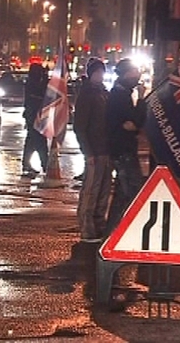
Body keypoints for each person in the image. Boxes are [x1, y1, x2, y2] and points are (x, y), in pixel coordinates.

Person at [104, 58, 146, 234]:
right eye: (133, 72)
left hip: (124, 149)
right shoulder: (119, 96)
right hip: (123, 151)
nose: (137, 76)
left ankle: (112, 230)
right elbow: (134, 122)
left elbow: (133, 124)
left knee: (122, 193)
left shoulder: (123, 93)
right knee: (133, 191)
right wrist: (142, 99)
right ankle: (124, 232)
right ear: (125, 74)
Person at [74, 58, 111, 243]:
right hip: (94, 150)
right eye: (97, 72)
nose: (100, 75)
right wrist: (87, 152)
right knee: (91, 189)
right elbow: (80, 127)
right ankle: (86, 226)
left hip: (105, 148)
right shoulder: (87, 94)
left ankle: (98, 223)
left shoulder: (103, 92)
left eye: (101, 72)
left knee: (103, 189)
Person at [21, 63, 49, 176]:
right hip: (34, 116)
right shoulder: (32, 84)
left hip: (35, 115)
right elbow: (40, 93)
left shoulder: (34, 82)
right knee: (39, 141)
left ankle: (27, 163)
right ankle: (45, 164)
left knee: (32, 141)